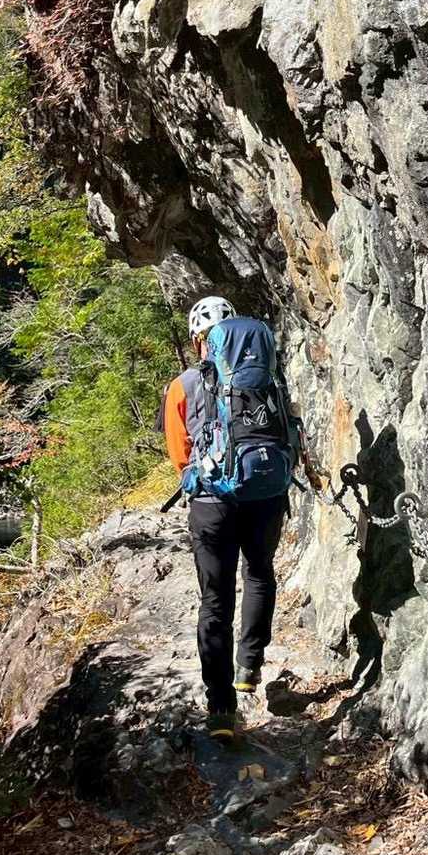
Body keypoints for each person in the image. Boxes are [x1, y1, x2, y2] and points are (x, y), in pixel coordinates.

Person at [163, 295, 293, 741]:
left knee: (215, 599)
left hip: (210, 504)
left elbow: (179, 455)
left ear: (198, 339)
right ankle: (249, 666)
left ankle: (221, 707)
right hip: (265, 492)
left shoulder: (183, 385)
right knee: (259, 573)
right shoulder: (268, 378)